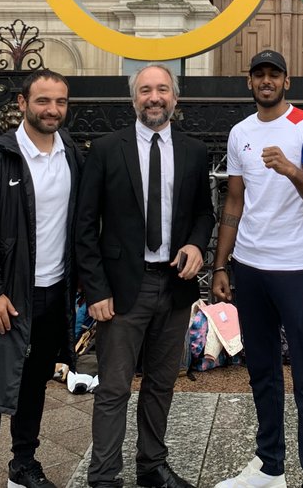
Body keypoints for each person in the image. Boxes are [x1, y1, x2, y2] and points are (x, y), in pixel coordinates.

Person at [75, 63, 215, 488]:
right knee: (114, 388)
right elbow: (84, 226)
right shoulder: (105, 149)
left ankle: (152, 466)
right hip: (120, 291)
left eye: (162, 90)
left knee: (160, 385)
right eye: (145, 91)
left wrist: (196, 244)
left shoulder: (193, 151)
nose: (154, 98)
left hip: (173, 287)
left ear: (175, 97)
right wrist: (95, 290)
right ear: (133, 98)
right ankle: (103, 477)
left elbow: (203, 214)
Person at [212, 50, 303, 488]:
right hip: (250, 266)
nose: (266, 81)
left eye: (274, 75)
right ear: (250, 82)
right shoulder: (239, 132)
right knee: (262, 370)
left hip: (297, 268)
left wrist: (289, 168)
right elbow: (234, 200)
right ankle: (269, 467)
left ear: (287, 81)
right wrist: (220, 265)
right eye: (259, 75)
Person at [0, 69, 84, 488]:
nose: (52, 110)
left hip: (53, 292)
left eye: (60, 102)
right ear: (22, 103)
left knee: (33, 385)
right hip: (6, 297)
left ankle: (22, 465)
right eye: (44, 101)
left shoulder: (71, 154)